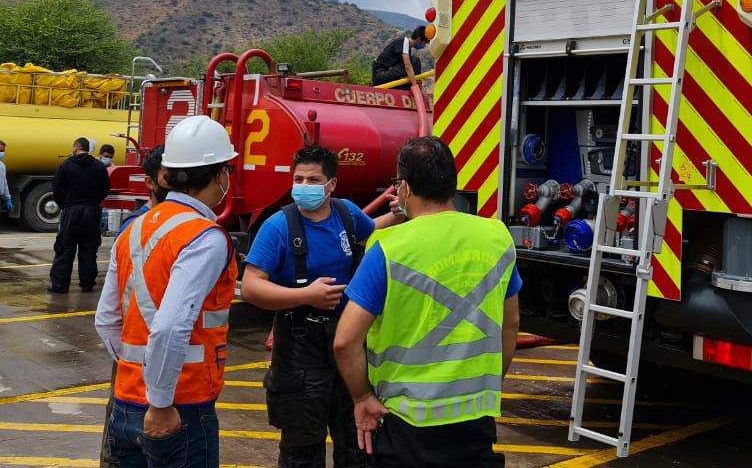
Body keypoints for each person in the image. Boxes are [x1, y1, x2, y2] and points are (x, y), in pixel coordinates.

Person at [334, 136, 522, 467]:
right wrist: (489, 382)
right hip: (476, 419)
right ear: (452, 183)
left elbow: (346, 342)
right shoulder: (497, 237)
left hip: (406, 422)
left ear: (404, 188)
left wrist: (362, 397)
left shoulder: (388, 246)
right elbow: (512, 324)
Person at [241, 144, 404, 468]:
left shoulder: (346, 213)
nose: (303, 187)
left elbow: (372, 232)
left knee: (358, 443)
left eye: (312, 180)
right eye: (298, 179)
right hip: (299, 350)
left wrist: (400, 214)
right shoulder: (278, 227)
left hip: (348, 346)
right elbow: (250, 286)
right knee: (302, 450)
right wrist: (306, 296)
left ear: (331, 185)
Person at [94, 115, 239, 467]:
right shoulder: (205, 237)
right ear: (220, 175)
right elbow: (171, 326)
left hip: (126, 402)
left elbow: (106, 320)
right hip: (179, 407)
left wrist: (137, 379)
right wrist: (159, 403)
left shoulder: (134, 228)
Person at [98, 144, 166, 468]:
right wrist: (127, 354)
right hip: (135, 362)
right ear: (151, 181)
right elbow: (108, 316)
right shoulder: (133, 231)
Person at [49, 137, 110, 293]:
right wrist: (94, 202)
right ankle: (87, 284)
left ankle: (60, 285)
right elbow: (105, 190)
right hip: (92, 211)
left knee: (65, 249)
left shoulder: (66, 166)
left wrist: (65, 205)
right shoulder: (99, 167)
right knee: (89, 249)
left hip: (71, 210)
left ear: (75, 148)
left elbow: (56, 190)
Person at [0, 140, 11, 215]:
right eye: (0, 150)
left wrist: (8, 198)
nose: (1, 153)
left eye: (3, 151)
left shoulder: (2, 165)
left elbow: (4, 182)